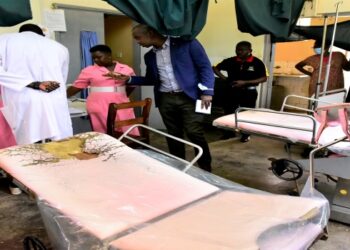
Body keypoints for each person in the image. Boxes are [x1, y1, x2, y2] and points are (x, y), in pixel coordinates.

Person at [110, 24, 214, 172]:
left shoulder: (187, 43)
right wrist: (128, 79)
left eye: (138, 37)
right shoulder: (149, 56)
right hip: (166, 99)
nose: (137, 42)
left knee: (194, 132)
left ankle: (205, 167)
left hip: (192, 97)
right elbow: (151, 79)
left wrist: (207, 93)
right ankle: (179, 167)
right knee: (173, 133)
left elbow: (205, 68)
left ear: (151, 33)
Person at [0, 24, 72, 145]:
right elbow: (62, 78)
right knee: (56, 139)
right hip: (53, 98)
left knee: (24, 142)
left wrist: (31, 83)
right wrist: (38, 84)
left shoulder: (4, 40)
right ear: (42, 35)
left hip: (20, 97)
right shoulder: (60, 47)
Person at [67, 44, 138, 135]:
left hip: (122, 102)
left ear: (109, 55)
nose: (96, 60)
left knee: (127, 129)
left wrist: (122, 95)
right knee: (104, 132)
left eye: (99, 57)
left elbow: (132, 85)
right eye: (94, 58)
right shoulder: (89, 70)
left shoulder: (126, 69)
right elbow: (77, 86)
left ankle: (127, 147)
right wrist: (62, 96)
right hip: (98, 104)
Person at [213, 41, 267, 142]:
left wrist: (245, 82)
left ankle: (245, 134)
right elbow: (215, 68)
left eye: (242, 50)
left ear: (250, 51)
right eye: (237, 49)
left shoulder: (257, 62)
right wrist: (224, 78)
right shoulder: (231, 61)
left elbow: (264, 78)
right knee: (229, 112)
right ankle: (229, 133)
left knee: (246, 113)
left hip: (249, 93)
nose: (238, 52)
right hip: (232, 91)